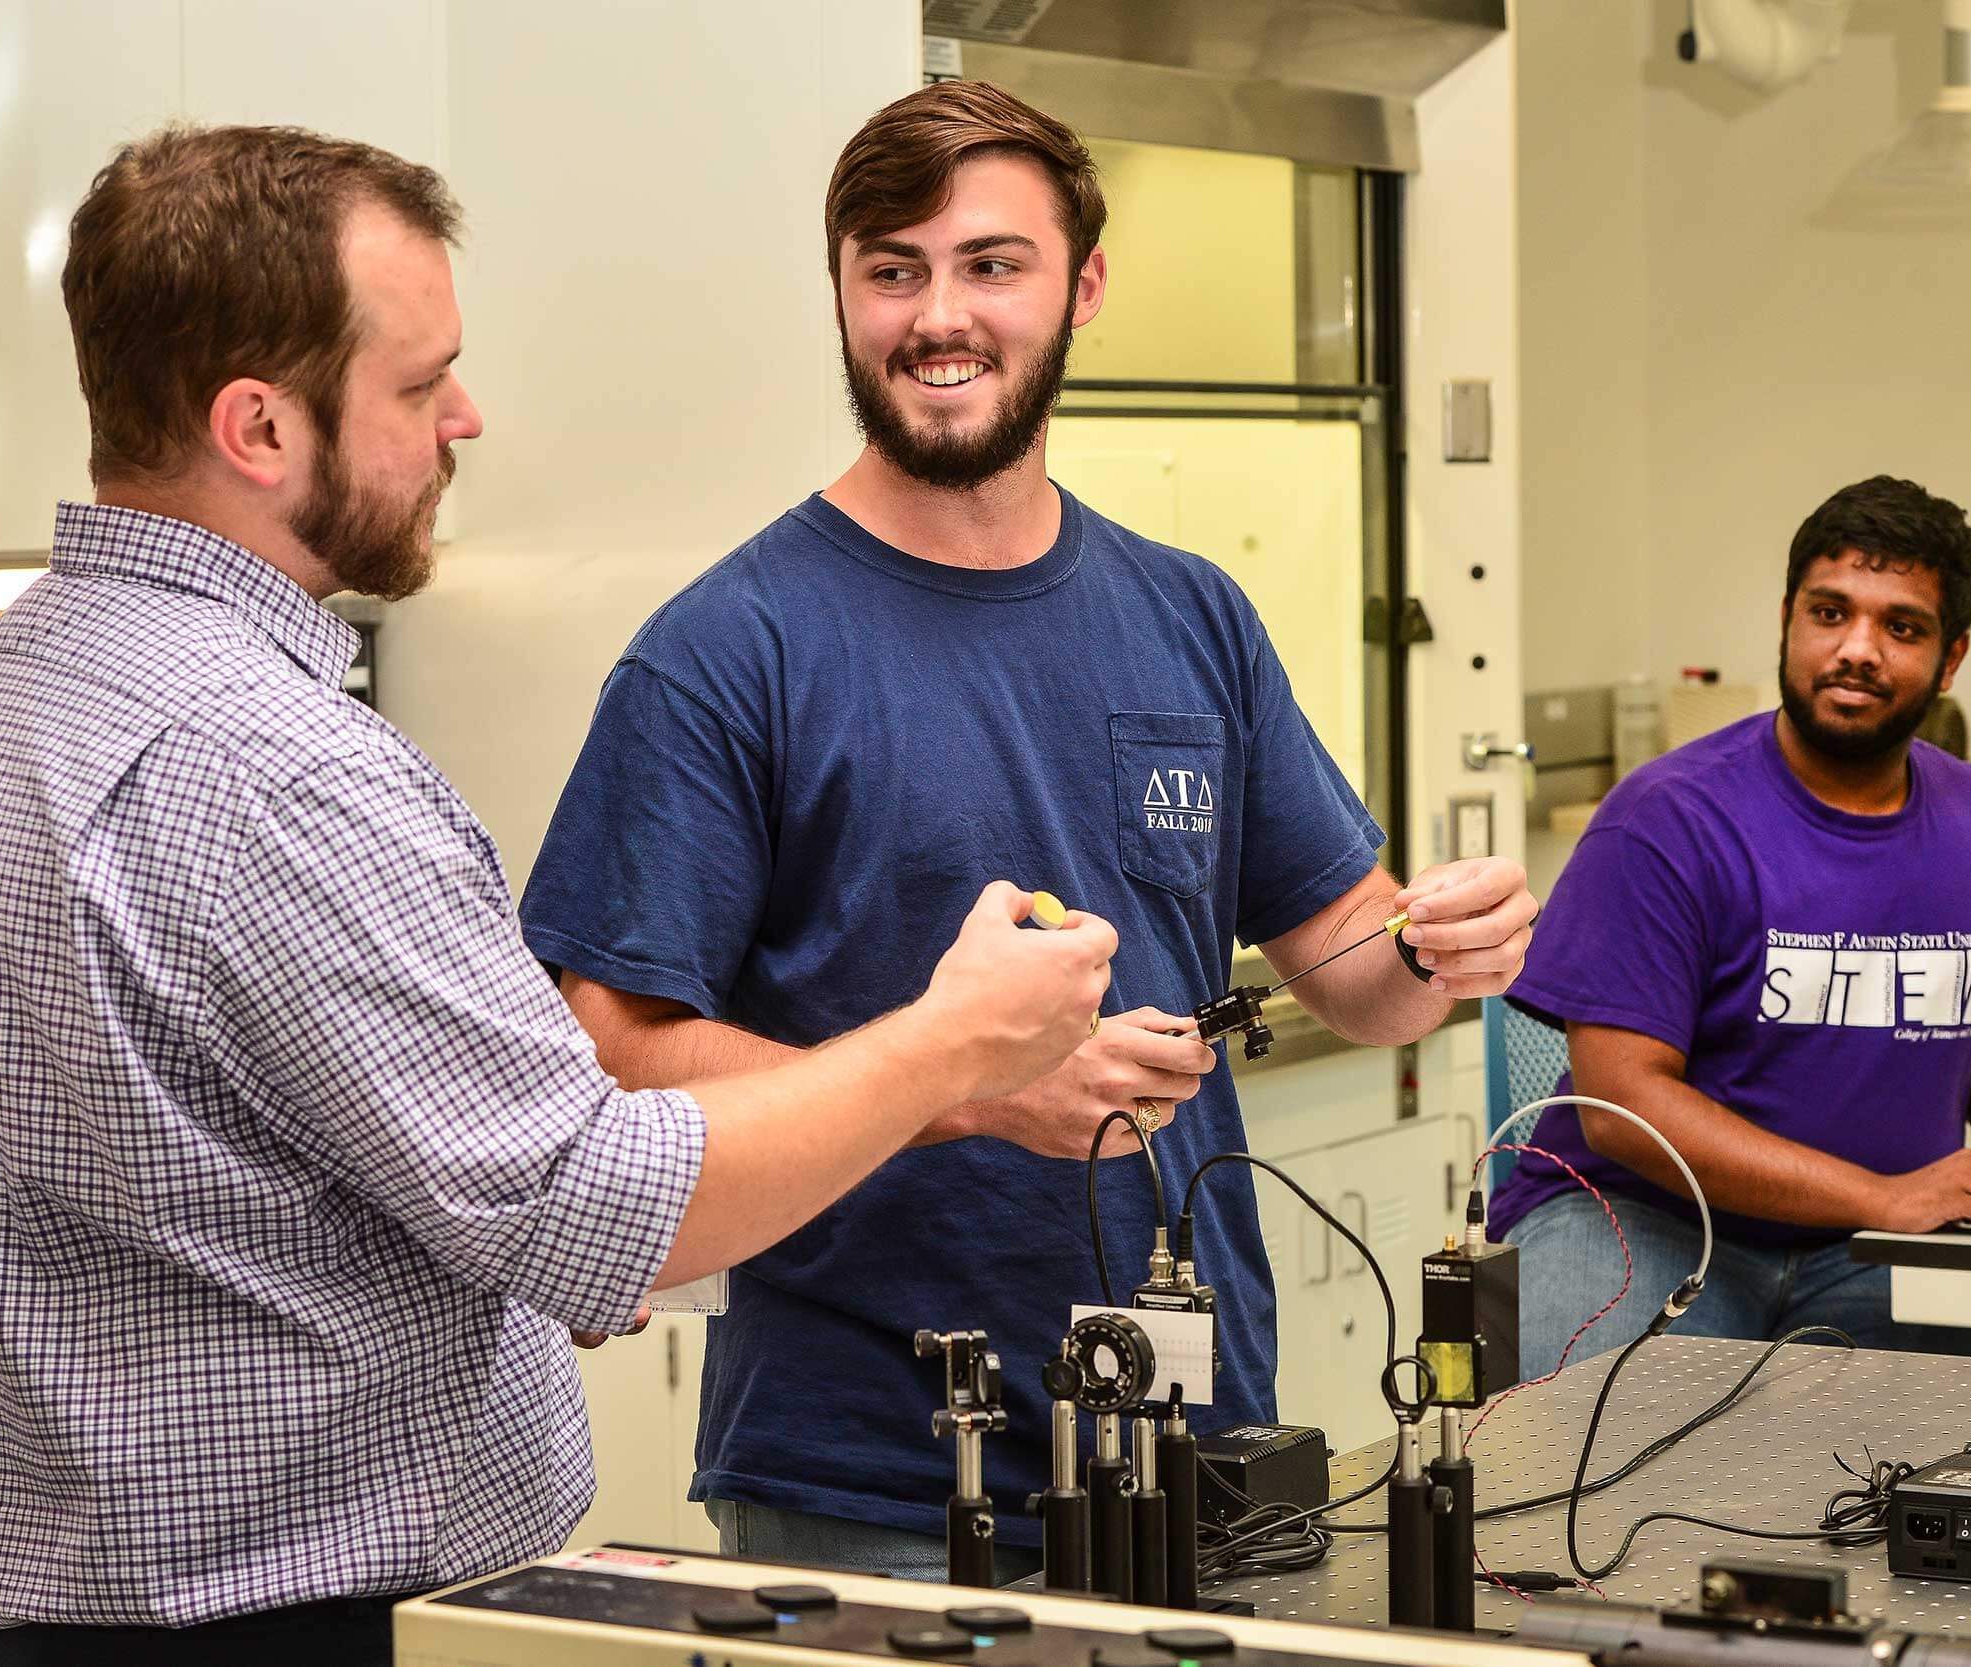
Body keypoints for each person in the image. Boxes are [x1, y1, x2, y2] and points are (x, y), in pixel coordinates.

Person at [0, 124, 1115, 1666]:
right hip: (308, 1626)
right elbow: (594, 1203)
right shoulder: (280, 769)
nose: (465, 416)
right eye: (418, 384)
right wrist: (959, 1041)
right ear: (260, 426)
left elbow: (237, 1160)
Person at [519, 81, 1541, 1578]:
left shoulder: (1190, 615)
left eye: (992, 263)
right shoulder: (731, 649)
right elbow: (611, 1061)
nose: (941, 316)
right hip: (867, 1483)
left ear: (1083, 287)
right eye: (893, 268)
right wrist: (980, 1087)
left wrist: (1442, 943)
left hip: (1201, 1453)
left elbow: (1352, 964)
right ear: (845, 295)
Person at [1489, 475, 1971, 1372]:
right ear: (1788, 620)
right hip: (1640, 1216)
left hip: (1870, 1249)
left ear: (1951, 657)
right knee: (1563, 1463)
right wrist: (1884, 1194)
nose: (1858, 648)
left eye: (1901, 626)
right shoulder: (1665, 818)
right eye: (1830, 612)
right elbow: (1624, 1109)